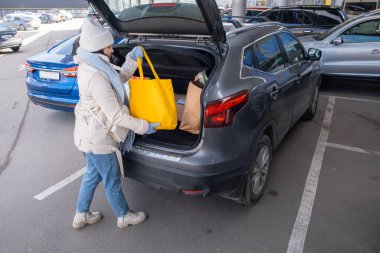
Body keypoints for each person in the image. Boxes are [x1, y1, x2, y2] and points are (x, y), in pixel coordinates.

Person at [71, 18, 159, 229]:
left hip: (87, 135)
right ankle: (124, 216)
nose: (112, 50)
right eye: (109, 46)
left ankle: (80, 215)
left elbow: (119, 78)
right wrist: (143, 126)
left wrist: (130, 59)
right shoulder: (96, 77)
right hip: (99, 139)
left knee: (92, 175)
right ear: (97, 49)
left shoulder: (95, 65)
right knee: (111, 180)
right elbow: (116, 116)